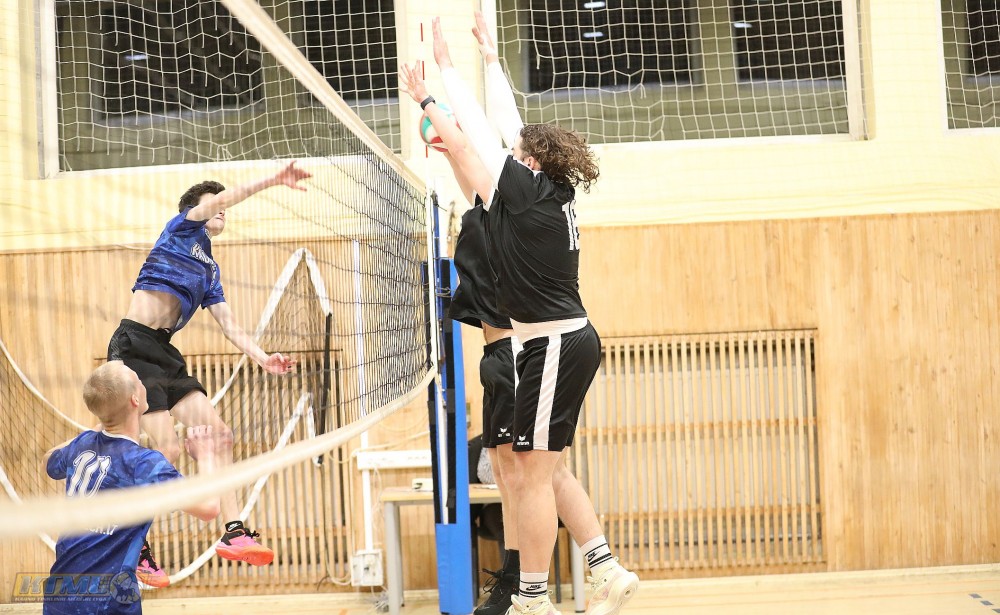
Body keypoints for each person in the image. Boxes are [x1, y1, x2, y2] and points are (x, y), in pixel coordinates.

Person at [405, 15, 641, 615]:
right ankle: (599, 570)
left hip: (554, 344)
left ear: (529, 165)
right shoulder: (545, 193)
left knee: (534, 478)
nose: (506, 155)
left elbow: (474, 140)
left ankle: (533, 597)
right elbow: (504, 131)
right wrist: (488, 59)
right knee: (542, 473)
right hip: (554, 343)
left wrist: (433, 89)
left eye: (515, 155)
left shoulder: (529, 198)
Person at [107, 161, 311, 586]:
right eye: (215, 205)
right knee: (167, 449)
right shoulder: (180, 230)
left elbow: (229, 325)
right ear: (194, 210)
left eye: (223, 209)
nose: (222, 210)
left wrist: (262, 358)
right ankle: (133, 544)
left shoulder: (209, 270)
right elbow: (225, 197)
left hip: (166, 353)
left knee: (219, 435)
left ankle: (234, 531)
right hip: (134, 346)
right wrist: (273, 180)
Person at [43, 361, 222, 615]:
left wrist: (94, 430)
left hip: (59, 596)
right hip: (109, 602)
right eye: (138, 379)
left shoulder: (82, 445)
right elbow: (209, 507)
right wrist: (206, 457)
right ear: (135, 399)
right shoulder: (143, 464)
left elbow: (47, 461)